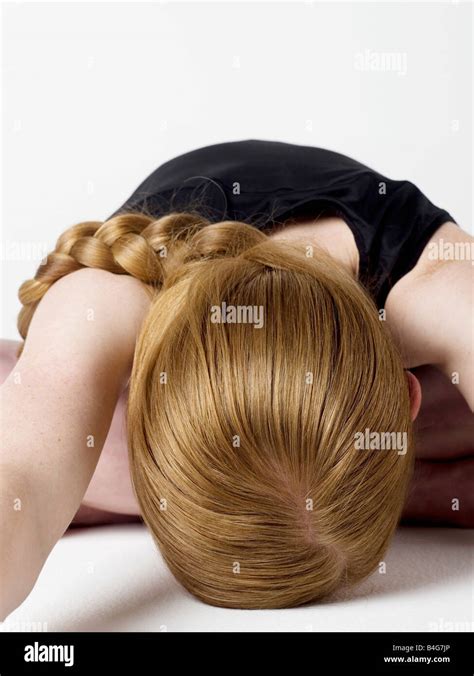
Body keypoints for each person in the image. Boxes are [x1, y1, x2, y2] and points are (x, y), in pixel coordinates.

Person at [1, 140, 472, 615]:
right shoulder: (102, 307)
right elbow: (21, 484)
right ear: (408, 399)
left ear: (405, 393)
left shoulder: (445, 288)